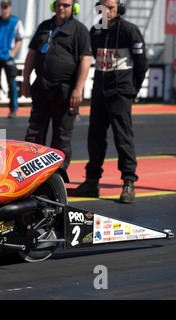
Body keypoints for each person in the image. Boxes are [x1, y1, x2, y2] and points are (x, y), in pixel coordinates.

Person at [68, 0, 148, 204]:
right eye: (104, 7)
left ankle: (128, 182)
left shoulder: (130, 30)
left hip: (121, 93)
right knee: (94, 137)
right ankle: (92, 182)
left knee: (123, 138)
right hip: (99, 93)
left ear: (119, 9)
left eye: (111, 7)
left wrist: (132, 91)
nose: (108, 11)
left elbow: (142, 65)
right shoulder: (96, 31)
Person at [21, 0, 91, 170]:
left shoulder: (79, 30)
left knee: (61, 136)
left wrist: (78, 88)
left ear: (73, 8)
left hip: (65, 92)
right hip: (41, 89)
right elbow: (31, 54)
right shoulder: (44, 26)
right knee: (34, 133)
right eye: (58, 4)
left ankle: (57, 175)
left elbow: (85, 59)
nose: (61, 8)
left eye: (66, 5)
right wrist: (25, 80)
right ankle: (30, 170)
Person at [0, 0, 25, 118]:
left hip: (8, 56)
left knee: (11, 83)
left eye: (5, 6)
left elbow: (20, 38)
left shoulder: (16, 21)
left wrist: (14, 51)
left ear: (10, 7)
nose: (4, 9)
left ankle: (13, 109)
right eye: (2, 6)